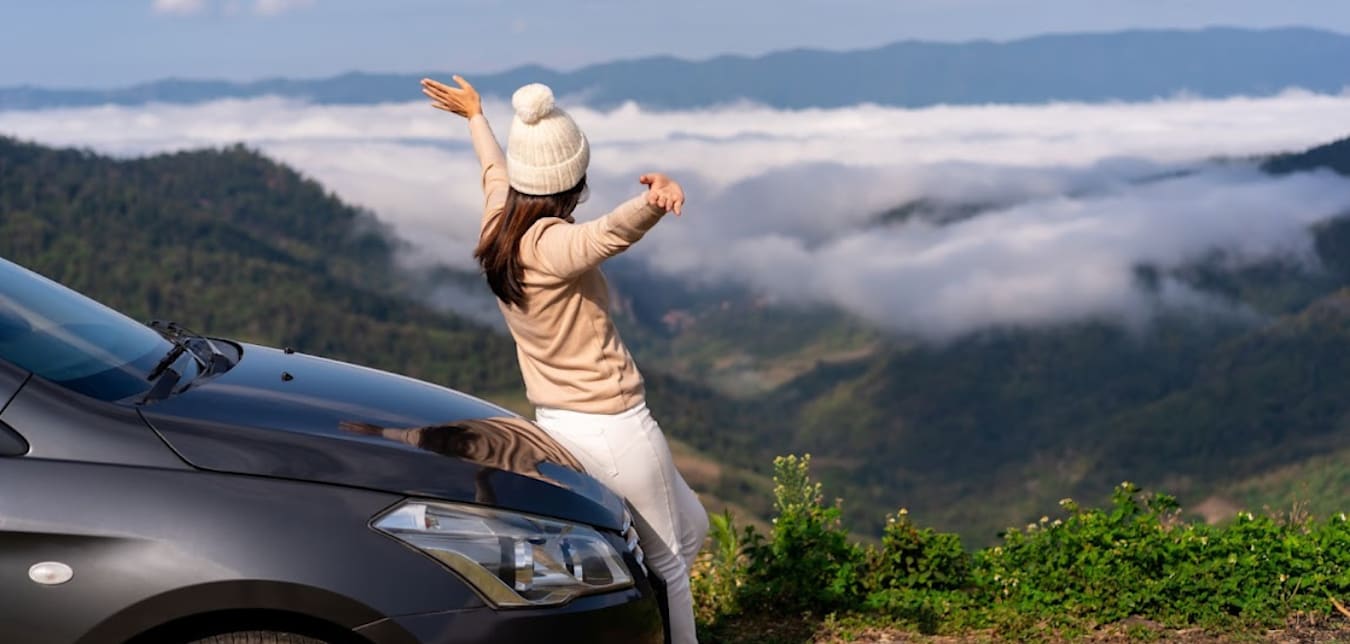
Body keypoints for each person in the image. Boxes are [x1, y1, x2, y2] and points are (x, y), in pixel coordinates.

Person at [421, 75, 709, 643]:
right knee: (671, 562)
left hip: (561, 419)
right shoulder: (553, 245)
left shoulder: (500, 223)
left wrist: (477, 117)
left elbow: (493, 172)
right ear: (571, 182)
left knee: (691, 527)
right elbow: (606, 235)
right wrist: (654, 201)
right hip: (612, 423)